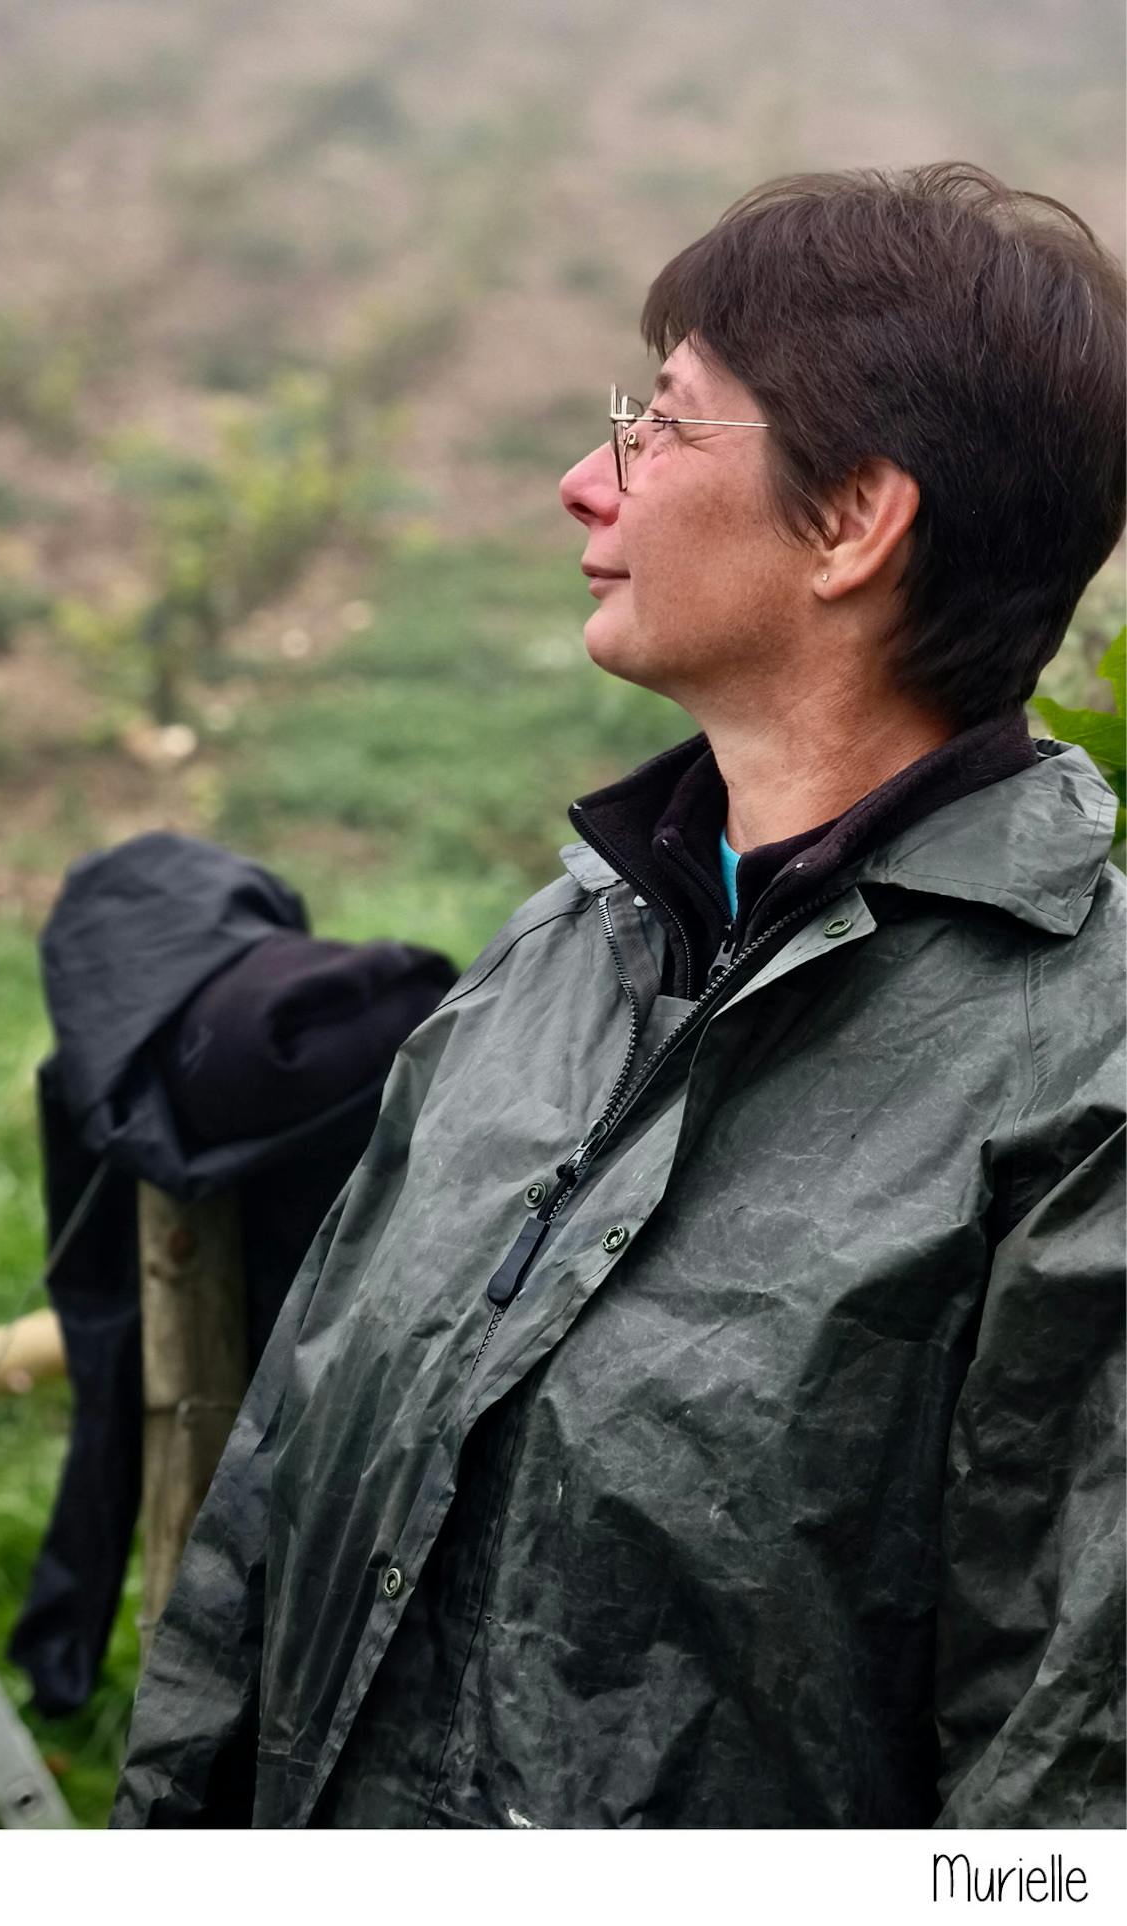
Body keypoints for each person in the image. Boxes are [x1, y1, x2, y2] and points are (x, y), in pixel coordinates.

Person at [115, 163, 1123, 1828]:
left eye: (662, 428)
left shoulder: (1083, 1077)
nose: (588, 484)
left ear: (857, 518)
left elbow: (1065, 1777)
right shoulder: (560, 951)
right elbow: (273, 1502)